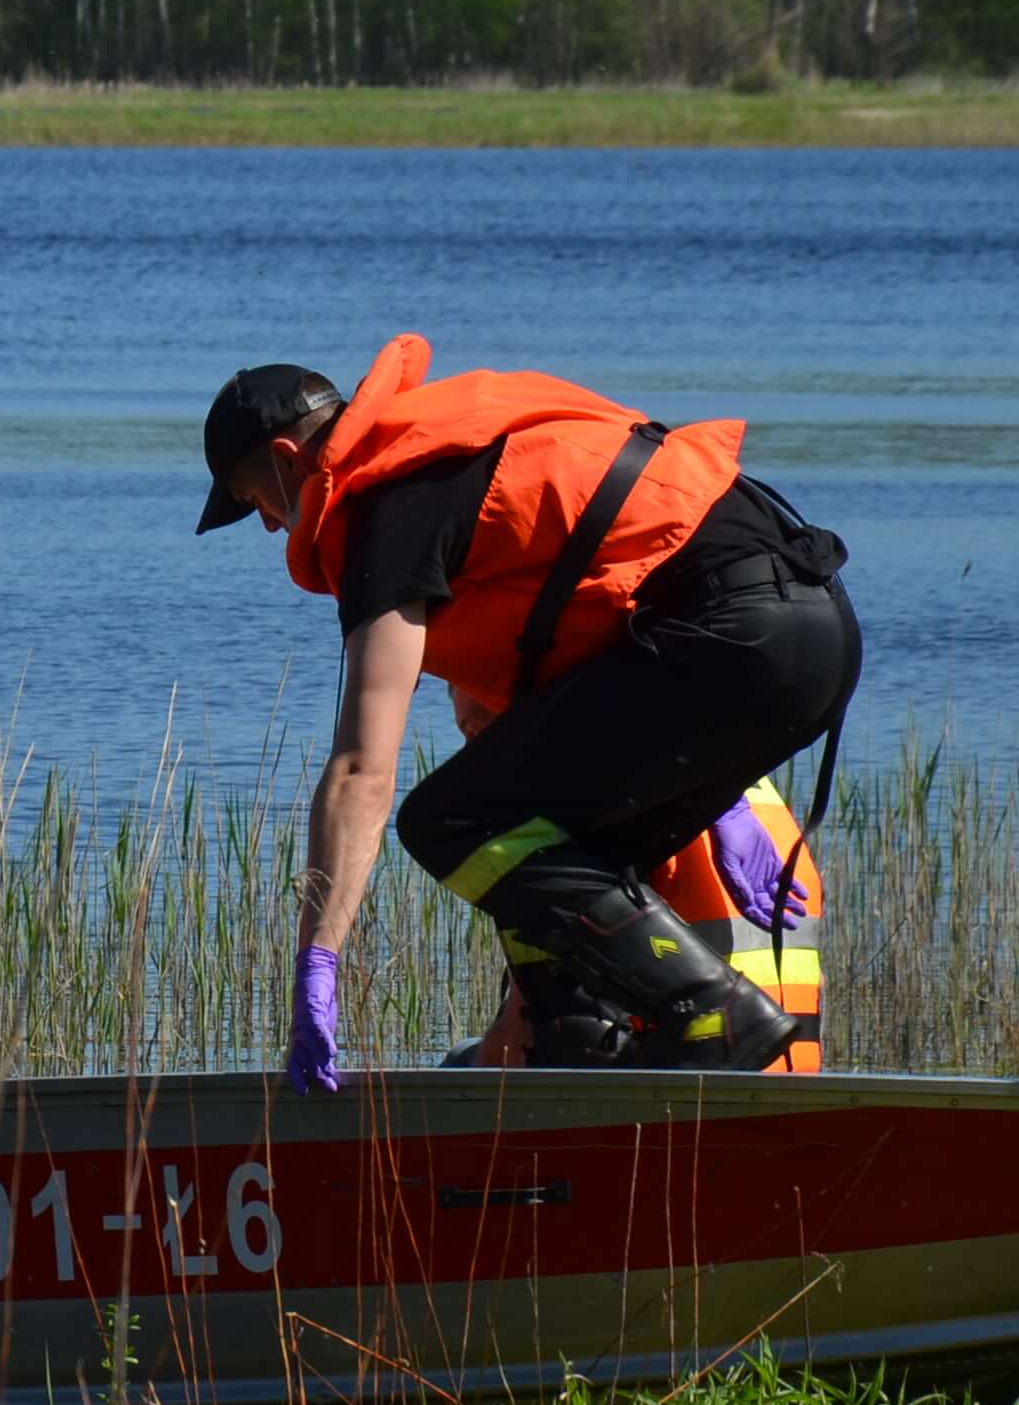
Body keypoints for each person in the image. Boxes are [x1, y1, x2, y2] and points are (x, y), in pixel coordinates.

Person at [198, 335, 860, 1091]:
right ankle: (575, 1049)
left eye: (254, 500)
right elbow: (609, 611)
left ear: (288, 457)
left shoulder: (386, 504)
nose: (268, 527)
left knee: (447, 820)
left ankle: (715, 1016)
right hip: (813, 634)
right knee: (541, 844)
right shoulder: (452, 459)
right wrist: (717, 793)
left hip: (736, 641)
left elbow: (360, 767)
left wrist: (318, 961)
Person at [461, 775, 827, 1074]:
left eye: (475, 727)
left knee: (465, 1058)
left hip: (695, 1072)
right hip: (795, 1066)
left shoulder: (574, 799)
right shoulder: (762, 797)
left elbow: (551, 1024)